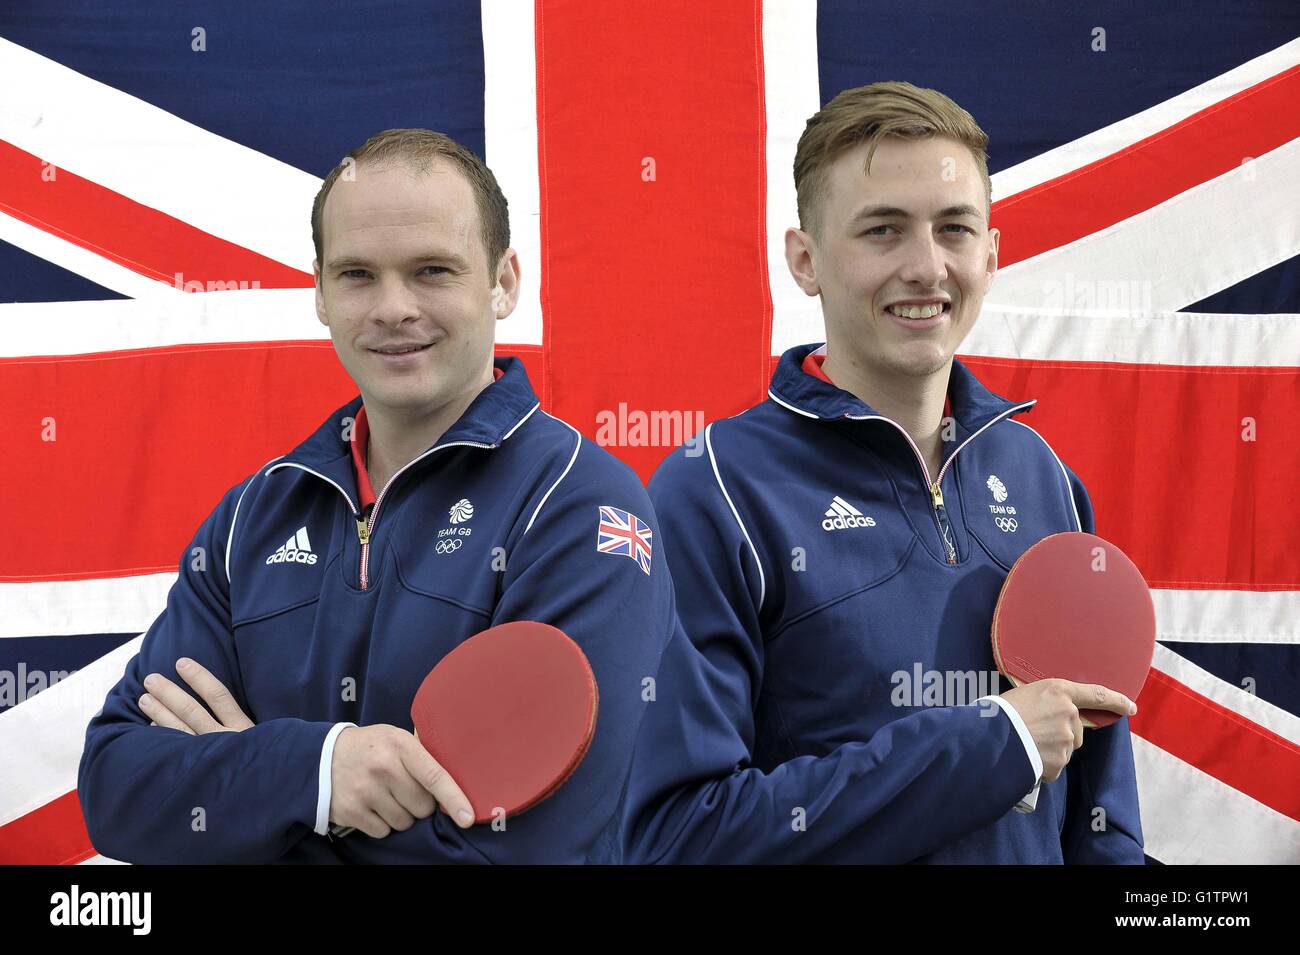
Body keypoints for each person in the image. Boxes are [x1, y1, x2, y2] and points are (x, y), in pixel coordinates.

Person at [78, 129, 675, 864]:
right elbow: (116, 789)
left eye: (432, 270)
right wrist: (318, 770)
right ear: (321, 292)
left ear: (504, 281)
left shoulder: (580, 508)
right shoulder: (252, 516)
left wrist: (256, 789)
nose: (393, 308)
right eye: (358, 274)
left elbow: (523, 850)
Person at [621, 82, 1145, 863]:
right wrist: (987, 747)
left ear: (991, 254)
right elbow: (677, 837)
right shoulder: (714, 491)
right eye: (883, 230)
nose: (926, 267)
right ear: (805, 261)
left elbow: (1103, 825)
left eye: (954, 228)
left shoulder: (1046, 479)